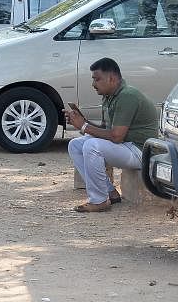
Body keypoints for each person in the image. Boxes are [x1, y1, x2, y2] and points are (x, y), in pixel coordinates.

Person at [65, 58, 160, 213]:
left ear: (112, 78)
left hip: (140, 151)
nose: (93, 84)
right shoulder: (109, 96)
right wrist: (82, 122)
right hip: (125, 146)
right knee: (75, 145)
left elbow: (116, 136)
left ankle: (99, 200)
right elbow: (105, 130)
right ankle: (110, 193)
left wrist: (83, 126)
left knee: (91, 145)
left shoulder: (127, 96)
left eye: (97, 79)